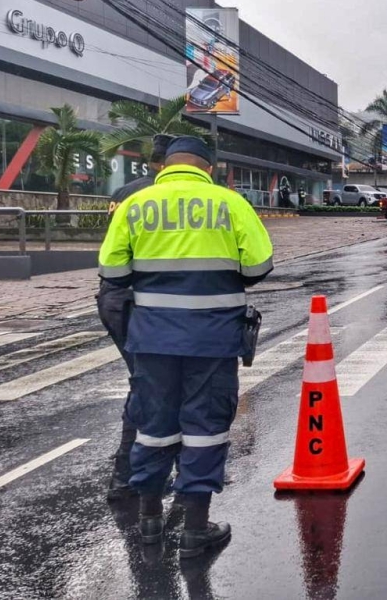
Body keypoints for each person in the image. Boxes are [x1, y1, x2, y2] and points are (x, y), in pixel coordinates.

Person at [98, 136, 274, 559]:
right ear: (208, 168)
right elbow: (258, 267)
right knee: (205, 427)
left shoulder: (134, 205)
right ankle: (195, 528)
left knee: (153, 425)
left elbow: (112, 272)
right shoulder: (231, 204)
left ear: (164, 166)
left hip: (152, 339)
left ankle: (149, 520)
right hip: (212, 339)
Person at [98, 133, 174, 502]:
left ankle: (136, 472)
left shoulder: (123, 192)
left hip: (114, 297)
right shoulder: (165, 195)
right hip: (146, 300)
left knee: (147, 381)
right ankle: (127, 475)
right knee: (151, 385)